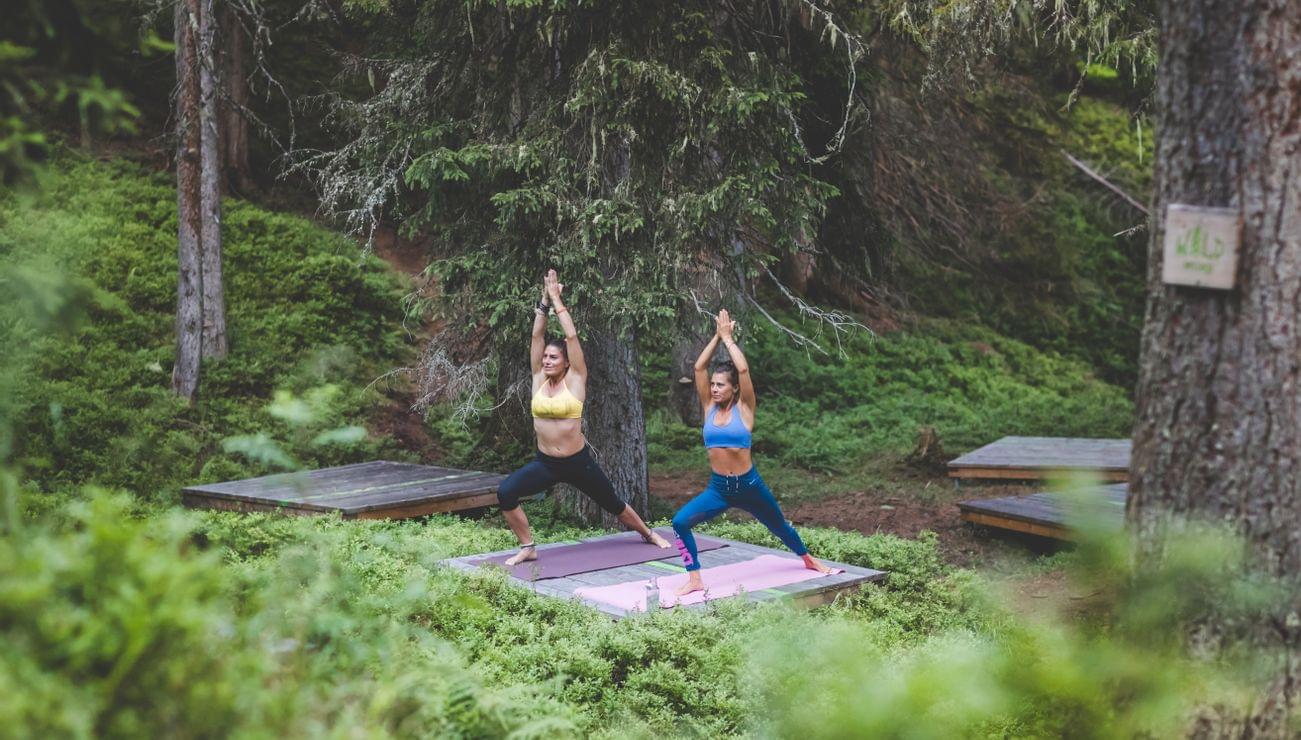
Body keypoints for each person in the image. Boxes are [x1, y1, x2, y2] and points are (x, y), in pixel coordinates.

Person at [497, 269, 670, 565]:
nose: (547, 361)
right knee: (506, 493)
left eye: (554, 358)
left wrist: (558, 302)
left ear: (566, 363)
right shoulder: (538, 377)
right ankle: (528, 546)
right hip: (546, 463)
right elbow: (536, 335)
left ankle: (647, 532)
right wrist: (543, 301)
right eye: (546, 357)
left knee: (612, 503)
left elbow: (571, 335)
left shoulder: (576, 380)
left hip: (578, 462)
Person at [670, 308, 832, 595]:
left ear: (734, 390)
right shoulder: (708, 407)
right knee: (680, 522)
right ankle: (694, 578)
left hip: (749, 485)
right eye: (713, 385)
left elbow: (743, 370)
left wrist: (729, 341)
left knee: (779, 526)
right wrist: (716, 337)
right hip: (719, 489)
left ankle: (807, 559)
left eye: (721, 385)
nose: (715, 389)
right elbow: (698, 368)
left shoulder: (745, 411)